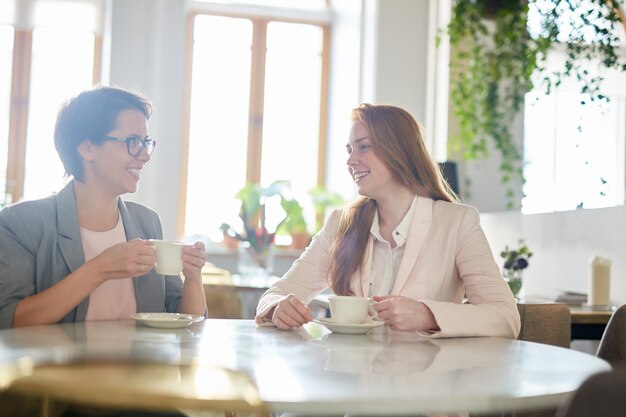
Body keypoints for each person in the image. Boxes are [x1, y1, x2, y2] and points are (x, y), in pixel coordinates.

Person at [256, 103, 520, 338]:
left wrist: (427, 315)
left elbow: (505, 317)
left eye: (363, 147)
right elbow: (276, 293)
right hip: (352, 381)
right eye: (349, 149)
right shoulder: (341, 223)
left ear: (398, 151)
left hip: (427, 383)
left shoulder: (457, 222)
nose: (350, 160)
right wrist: (280, 307)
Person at [0, 86, 207, 329]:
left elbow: (184, 319)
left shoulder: (147, 221)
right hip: (55, 367)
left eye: (145, 142)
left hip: (141, 366)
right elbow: (8, 320)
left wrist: (193, 276)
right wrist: (100, 268)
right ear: (87, 148)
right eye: (132, 141)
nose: (145, 156)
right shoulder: (21, 224)